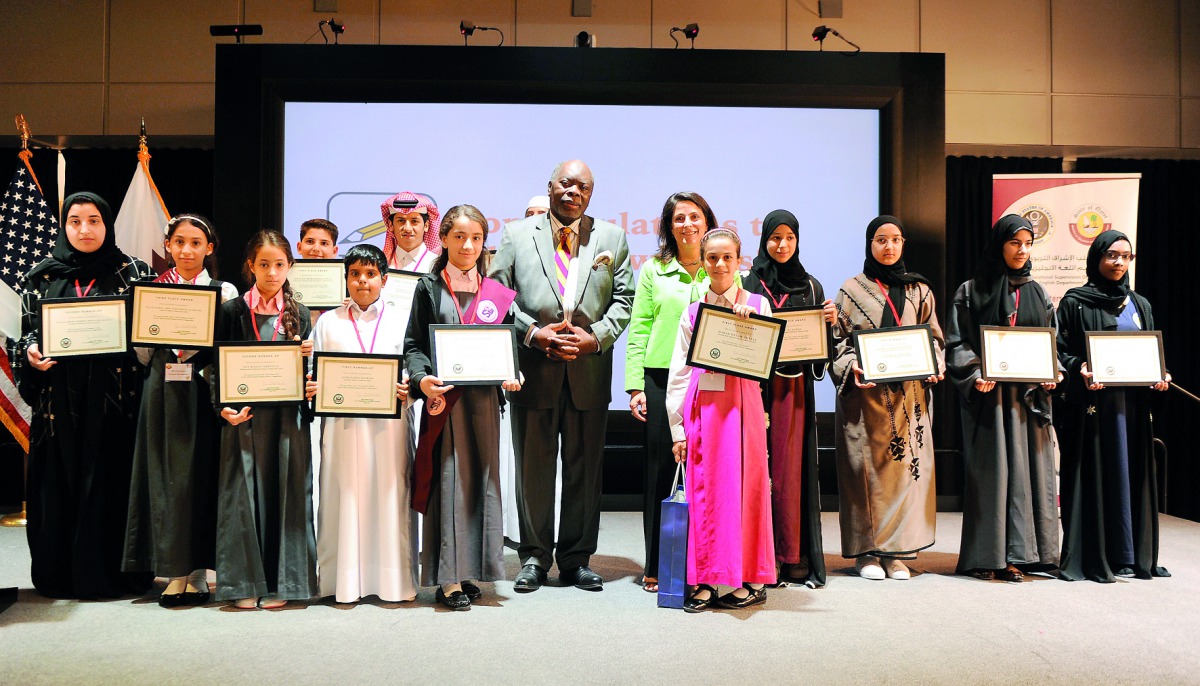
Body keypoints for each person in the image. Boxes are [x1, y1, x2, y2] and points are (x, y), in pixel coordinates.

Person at [489, 159, 634, 592]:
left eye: (583, 187)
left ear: (591, 194)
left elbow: (624, 299)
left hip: (588, 369)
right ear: (550, 186)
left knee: (584, 471)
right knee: (533, 470)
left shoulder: (612, 237)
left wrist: (596, 338)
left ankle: (575, 559)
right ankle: (533, 557)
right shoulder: (516, 234)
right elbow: (495, 298)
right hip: (534, 368)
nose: (573, 192)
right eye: (566, 184)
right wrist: (533, 334)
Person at [15, 192, 157, 599]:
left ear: (107, 224)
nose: (84, 229)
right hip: (57, 404)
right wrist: (30, 351)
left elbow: (149, 333)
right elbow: (27, 329)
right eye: (75, 221)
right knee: (57, 485)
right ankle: (59, 574)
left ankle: (115, 575)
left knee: (112, 484)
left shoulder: (133, 271)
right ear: (64, 226)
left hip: (114, 401)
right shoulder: (40, 276)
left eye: (94, 220)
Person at [405, 205, 522, 610]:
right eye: (458, 237)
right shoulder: (428, 288)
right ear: (445, 240)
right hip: (446, 404)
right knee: (450, 485)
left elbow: (507, 347)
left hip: (485, 404)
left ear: (483, 242)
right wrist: (421, 379)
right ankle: (448, 579)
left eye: (475, 238)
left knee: (482, 487)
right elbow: (413, 346)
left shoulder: (497, 293)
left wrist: (513, 374)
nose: (467, 245)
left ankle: (472, 570)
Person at [123, 214, 239, 607]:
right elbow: (140, 352)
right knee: (166, 479)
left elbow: (228, 349)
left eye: (196, 243)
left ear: (210, 248)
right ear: (168, 246)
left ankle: (200, 575)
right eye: (179, 243)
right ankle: (173, 573)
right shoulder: (151, 291)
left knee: (202, 479)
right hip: (163, 394)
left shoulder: (224, 293)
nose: (187, 250)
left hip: (204, 393)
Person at [945, 214, 1061, 582]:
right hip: (990, 399)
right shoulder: (971, 290)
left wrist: (1054, 371)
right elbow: (956, 341)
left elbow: (1050, 340)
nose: (1021, 250)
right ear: (1000, 245)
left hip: (1027, 400)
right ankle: (989, 556)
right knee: (993, 475)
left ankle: (1025, 555)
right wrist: (975, 371)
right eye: (1014, 243)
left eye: (1028, 243)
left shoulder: (1037, 291)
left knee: (1029, 475)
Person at [666, 228, 775, 612]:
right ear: (703, 261)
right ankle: (706, 580)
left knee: (746, 493)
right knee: (706, 496)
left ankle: (750, 579)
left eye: (728, 257)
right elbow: (678, 372)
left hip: (743, 414)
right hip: (703, 414)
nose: (720, 265)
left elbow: (767, 366)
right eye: (712, 257)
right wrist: (677, 427)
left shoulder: (759, 306)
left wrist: (749, 326)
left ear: (740, 260)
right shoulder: (693, 312)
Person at [831, 215, 944, 581]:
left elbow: (936, 339)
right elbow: (838, 342)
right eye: (881, 240)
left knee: (904, 476)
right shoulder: (851, 290)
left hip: (908, 400)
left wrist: (935, 363)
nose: (889, 247)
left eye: (895, 240)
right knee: (865, 474)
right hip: (866, 401)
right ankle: (866, 553)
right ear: (870, 244)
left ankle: (896, 553)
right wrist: (852, 366)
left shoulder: (920, 291)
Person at [1055, 230, 1171, 583]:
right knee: (1102, 474)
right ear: (1097, 258)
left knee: (1131, 473)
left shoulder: (1141, 305)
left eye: (1125, 256)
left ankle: (1132, 555)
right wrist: (1079, 369)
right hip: (1095, 409)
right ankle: (1102, 554)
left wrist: (1159, 372)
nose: (1119, 262)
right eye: (1111, 255)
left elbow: (1150, 352)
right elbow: (1060, 353)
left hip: (1133, 410)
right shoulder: (1075, 302)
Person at [213, 230, 318, 609]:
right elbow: (216, 367)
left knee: (287, 496)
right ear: (250, 267)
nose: (272, 272)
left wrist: (308, 377)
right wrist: (222, 407)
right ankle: (245, 584)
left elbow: (307, 377)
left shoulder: (301, 314)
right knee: (244, 498)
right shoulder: (232, 311)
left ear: (289, 267)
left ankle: (284, 584)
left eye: (279, 265)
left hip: (287, 420)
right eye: (263, 264)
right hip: (246, 419)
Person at [309, 243, 417, 603]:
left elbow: (415, 367)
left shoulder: (403, 318)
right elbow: (313, 373)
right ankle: (344, 582)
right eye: (354, 274)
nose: (362, 281)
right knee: (345, 494)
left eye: (370, 274)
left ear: (384, 280)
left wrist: (409, 389)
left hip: (390, 427)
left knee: (389, 495)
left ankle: (392, 582)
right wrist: (311, 386)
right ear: (346, 280)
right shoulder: (328, 322)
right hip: (343, 427)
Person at [625, 192, 715, 594]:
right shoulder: (653, 270)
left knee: (706, 471)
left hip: (712, 379)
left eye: (694, 216)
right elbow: (640, 327)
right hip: (661, 379)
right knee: (662, 471)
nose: (687, 224)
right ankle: (658, 563)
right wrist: (635, 386)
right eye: (679, 218)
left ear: (706, 220)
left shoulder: (723, 266)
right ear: (668, 225)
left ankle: (703, 560)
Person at [742, 209, 835, 589]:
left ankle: (790, 554)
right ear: (764, 239)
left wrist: (828, 325)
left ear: (797, 241)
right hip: (755, 390)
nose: (782, 245)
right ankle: (760, 556)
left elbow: (819, 355)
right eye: (775, 237)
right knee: (757, 473)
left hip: (793, 393)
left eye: (789, 238)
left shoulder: (812, 287)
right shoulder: (748, 283)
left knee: (790, 474)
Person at [381, 192, 440, 272]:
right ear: (391, 225)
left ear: (426, 225)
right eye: (401, 221)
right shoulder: (380, 265)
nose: (407, 228)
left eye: (414, 221)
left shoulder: (438, 265)